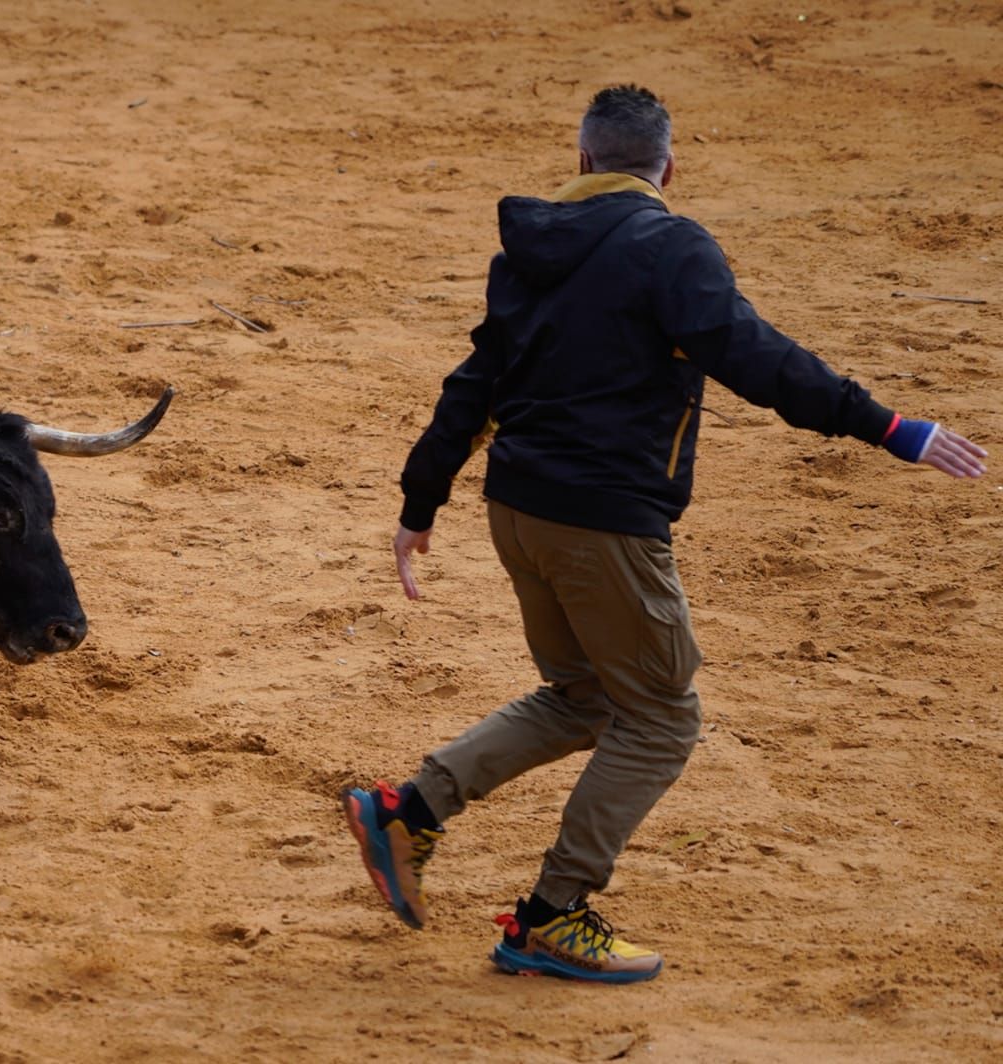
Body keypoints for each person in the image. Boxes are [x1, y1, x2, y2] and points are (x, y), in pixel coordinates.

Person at [342, 84, 987, 984]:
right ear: (668, 170)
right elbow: (755, 356)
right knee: (662, 719)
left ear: (582, 163)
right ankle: (550, 916)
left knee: (583, 696)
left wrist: (421, 502)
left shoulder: (529, 247)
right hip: (602, 521)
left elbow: (473, 381)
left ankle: (408, 812)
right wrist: (889, 427)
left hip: (516, 509)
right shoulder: (670, 244)